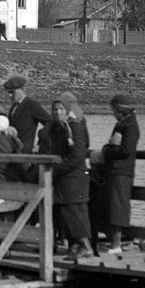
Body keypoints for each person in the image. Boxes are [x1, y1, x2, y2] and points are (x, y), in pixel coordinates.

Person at [42, 96, 93, 259]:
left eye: (61, 109)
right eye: (54, 109)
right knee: (68, 211)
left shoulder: (73, 127)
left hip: (73, 177)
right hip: (66, 177)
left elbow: (78, 153)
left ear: (67, 110)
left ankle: (85, 246)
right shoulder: (60, 127)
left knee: (73, 211)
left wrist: (58, 168)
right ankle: (75, 247)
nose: (57, 112)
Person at [91, 92, 140, 254]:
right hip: (113, 171)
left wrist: (107, 150)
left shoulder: (130, 126)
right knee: (109, 207)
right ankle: (114, 243)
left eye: (113, 110)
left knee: (117, 209)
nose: (112, 113)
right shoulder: (123, 124)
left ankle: (116, 245)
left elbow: (125, 150)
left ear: (120, 110)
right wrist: (109, 147)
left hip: (121, 172)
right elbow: (116, 146)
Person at [3, 76, 51, 155]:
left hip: (25, 150)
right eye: (9, 93)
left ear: (23, 89)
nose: (10, 95)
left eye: (13, 92)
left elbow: (49, 121)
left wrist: (41, 139)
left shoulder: (32, 105)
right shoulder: (14, 106)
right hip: (13, 149)